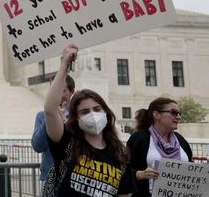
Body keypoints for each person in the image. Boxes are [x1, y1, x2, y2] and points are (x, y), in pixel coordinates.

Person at [43, 44, 135, 197]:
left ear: (106, 112)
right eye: (85, 111)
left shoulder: (120, 154)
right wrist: (65, 65)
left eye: (97, 109)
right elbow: (49, 110)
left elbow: (123, 194)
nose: (93, 115)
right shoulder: (67, 144)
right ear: (76, 118)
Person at [127, 97, 193, 197]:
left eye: (179, 113)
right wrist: (138, 174)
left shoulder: (181, 140)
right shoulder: (139, 138)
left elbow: (191, 169)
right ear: (156, 115)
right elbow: (123, 169)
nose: (178, 117)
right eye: (174, 112)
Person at [31, 74, 75, 182]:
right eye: (54, 90)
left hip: (74, 178)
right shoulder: (42, 116)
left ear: (71, 91)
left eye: (63, 90)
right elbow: (37, 146)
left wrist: (65, 122)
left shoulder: (78, 116)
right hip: (50, 179)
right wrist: (50, 117)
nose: (58, 94)